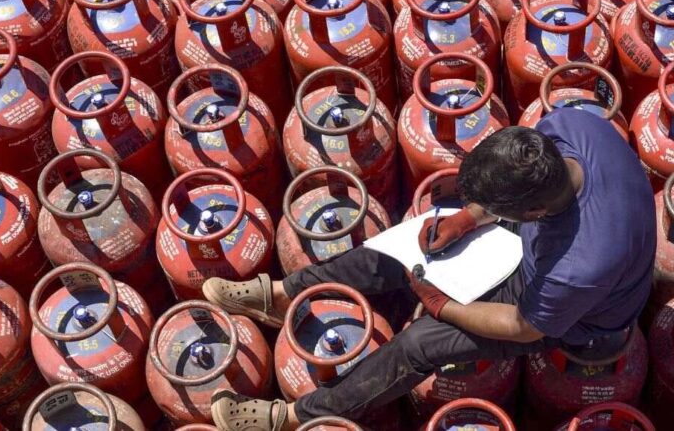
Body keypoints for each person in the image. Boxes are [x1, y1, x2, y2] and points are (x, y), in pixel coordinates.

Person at [202, 108, 656, 431]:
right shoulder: (573, 127)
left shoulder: (578, 266)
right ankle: (283, 295)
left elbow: (523, 326)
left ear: (532, 212)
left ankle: (296, 416)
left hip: (576, 316)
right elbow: (519, 194)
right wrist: (468, 218)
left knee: (420, 344)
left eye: (498, 209)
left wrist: (442, 306)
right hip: (542, 250)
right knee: (403, 251)